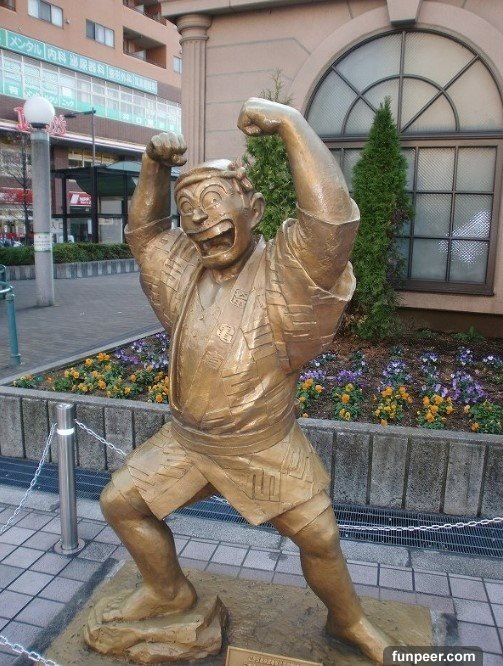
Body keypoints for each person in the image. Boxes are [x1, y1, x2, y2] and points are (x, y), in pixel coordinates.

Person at [100, 98, 393, 663]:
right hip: (188, 441)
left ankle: (348, 619)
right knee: (120, 503)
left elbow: (331, 224)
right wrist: (153, 169)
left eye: (213, 200)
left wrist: (291, 124)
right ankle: (167, 590)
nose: (199, 217)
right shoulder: (183, 273)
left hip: (263, 445)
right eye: (189, 209)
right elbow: (147, 234)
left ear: (253, 209)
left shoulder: (285, 272)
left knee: (320, 537)